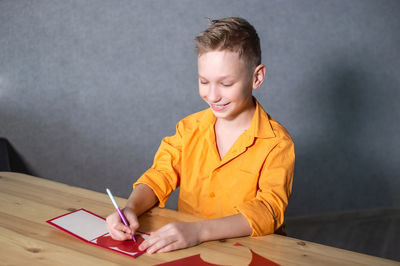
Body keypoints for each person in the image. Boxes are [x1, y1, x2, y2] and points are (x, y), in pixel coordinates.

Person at [106, 17, 295, 254]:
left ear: (256, 77)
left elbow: (268, 210)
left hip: (249, 253)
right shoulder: (188, 128)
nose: (212, 95)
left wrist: (199, 231)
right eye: (204, 81)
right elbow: (159, 175)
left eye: (226, 83)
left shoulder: (277, 142)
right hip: (190, 249)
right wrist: (131, 208)